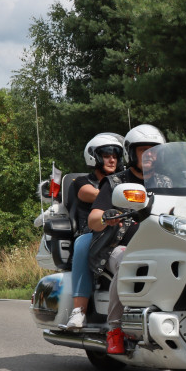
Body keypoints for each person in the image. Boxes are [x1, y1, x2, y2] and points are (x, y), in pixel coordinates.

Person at [86, 124, 166, 353]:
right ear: (132, 153)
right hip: (118, 247)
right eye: (144, 152)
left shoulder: (167, 183)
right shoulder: (115, 183)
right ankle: (115, 329)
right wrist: (107, 216)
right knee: (128, 262)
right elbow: (93, 219)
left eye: (155, 152)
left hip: (161, 246)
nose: (150, 157)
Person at [61, 133, 124, 331]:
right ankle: (79, 311)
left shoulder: (123, 181)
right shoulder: (81, 182)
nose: (112, 159)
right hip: (92, 233)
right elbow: (92, 194)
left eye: (115, 154)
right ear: (94, 157)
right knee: (82, 243)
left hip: (121, 233)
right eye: (106, 154)